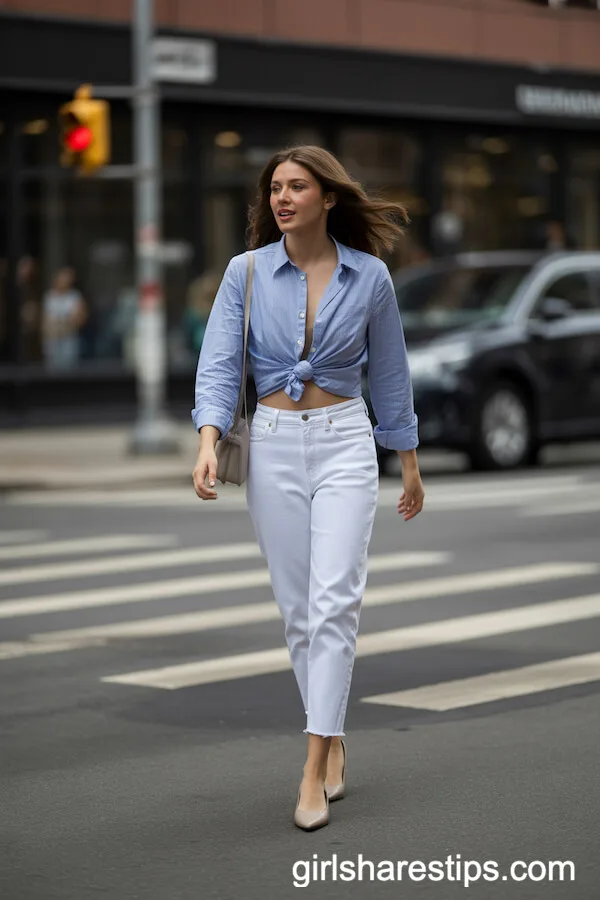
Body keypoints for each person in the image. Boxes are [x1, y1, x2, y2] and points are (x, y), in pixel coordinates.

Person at [191, 146, 424, 831]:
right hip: (271, 445)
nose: (282, 198)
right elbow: (218, 363)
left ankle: (314, 761)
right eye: (275, 188)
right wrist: (207, 441)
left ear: (328, 197)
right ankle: (335, 732)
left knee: (335, 603)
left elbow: (391, 374)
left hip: (345, 440)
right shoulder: (245, 272)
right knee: (299, 612)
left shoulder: (370, 276)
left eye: (297, 186)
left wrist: (408, 460)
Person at [41, 267, 87, 369]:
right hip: (52, 340)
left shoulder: (75, 296)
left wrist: (67, 322)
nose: (65, 281)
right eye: (63, 278)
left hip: (69, 339)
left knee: (69, 369)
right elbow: (46, 321)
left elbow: (79, 319)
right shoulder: (49, 296)